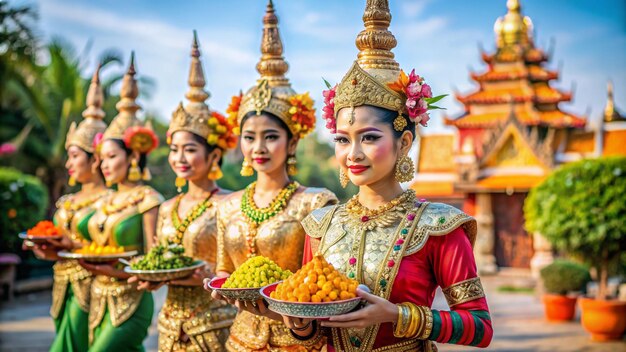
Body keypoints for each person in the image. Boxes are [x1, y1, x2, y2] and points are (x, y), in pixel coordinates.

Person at [283, 1, 493, 350]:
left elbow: (480, 328)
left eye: (369, 137)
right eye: (342, 139)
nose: (353, 153)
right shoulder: (321, 225)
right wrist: (301, 325)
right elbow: (316, 333)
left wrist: (397, 316)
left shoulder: (438, 227)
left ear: (404, 141)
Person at [206, 1, 337, 350]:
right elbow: (222, 274)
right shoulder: (227, 205)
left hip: (298, 341)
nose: (258, 147)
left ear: (292, 141)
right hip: (239, 339)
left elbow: (323, 284)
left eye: (271, 136)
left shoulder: (316, 203)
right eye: (249, 137)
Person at [134, 32, 238, 352]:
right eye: (174, 149)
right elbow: (158, 259)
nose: (179, 158)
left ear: (213, 156)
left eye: (189, 149)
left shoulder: (229, 205)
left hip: (216, 323)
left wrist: (208, 275)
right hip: (168, 326)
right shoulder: (167, 208)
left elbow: (240, 272)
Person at [81, 53, 163, 351]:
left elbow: (154, 261)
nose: (104, 165)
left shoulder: (148, 198)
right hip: (97, 297)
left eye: (112, 157)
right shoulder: (105, 199)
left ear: (133, 157)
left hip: (131, 298)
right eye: (101, 159)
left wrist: (113, 272)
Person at [27, 65, 110, 352]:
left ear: (96, 159)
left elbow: (113, 249)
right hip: (61, 283)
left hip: (96, 286)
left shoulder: (113, 202)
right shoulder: (68, 201)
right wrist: (48, 248)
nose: (68, 164)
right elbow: (59, 244)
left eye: (75, 156)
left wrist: (71, 244)